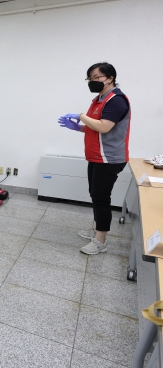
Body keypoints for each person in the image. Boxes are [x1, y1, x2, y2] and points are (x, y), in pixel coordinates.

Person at [58, 62, 130, 255]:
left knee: (101, 198)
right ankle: (99, 230)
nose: (92, 81)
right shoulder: (99, 99)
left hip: (109, 159)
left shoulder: (116, 100)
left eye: (96, 77)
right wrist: (78, 127)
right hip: (97, 157)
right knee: (95, 195)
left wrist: (81, 116)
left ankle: (101, 241)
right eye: (90, 78)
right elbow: (96, 127)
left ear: (110, 78)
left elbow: (104, 127)